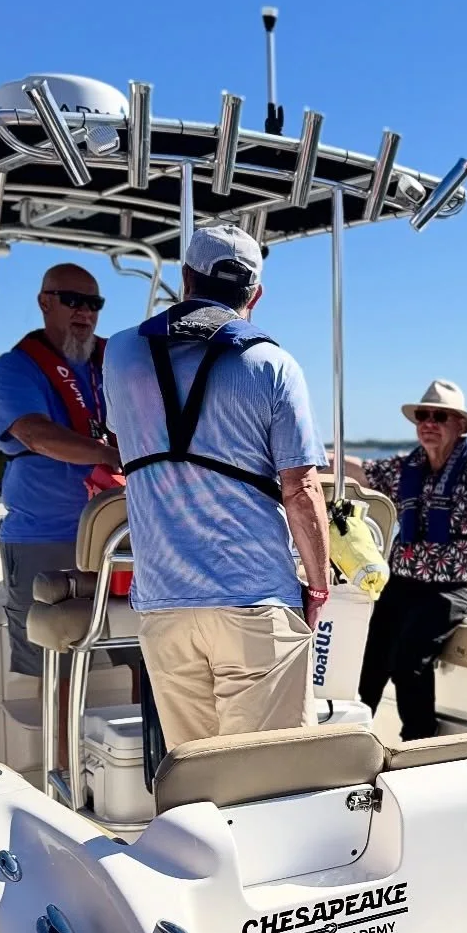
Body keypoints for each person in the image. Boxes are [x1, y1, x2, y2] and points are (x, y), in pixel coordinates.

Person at [102, 224, 332, 751]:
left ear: (185, 278)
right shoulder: (274, 365)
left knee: (194, 773)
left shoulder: (119, 354)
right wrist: (317, 587)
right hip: (255, 604)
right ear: (256, 293)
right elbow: (300, 490)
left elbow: (124, 441)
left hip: (164, 606)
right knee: (267, 780)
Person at [337, 380, 467, 741]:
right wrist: (304, 455)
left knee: (409, 659)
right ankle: (350, 738)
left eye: (439, 416)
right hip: (402, 583)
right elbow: (359, 469)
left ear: (459, 424)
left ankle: (417, 743)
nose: (429, 422)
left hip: (452, 587)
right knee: (368, 660)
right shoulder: (409, 465)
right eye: (423, 416)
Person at [0, 262, 122, 682]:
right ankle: (59, 750)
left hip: (117, 538)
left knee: (142, 657)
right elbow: (36, 434)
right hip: (44, 539)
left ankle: (147, 750)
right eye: (72, 300)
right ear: (45, 302)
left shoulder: (117, 361)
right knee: (53, 669)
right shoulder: (15, 369)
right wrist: (114, 456)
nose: (84, 312)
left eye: (93, 303)